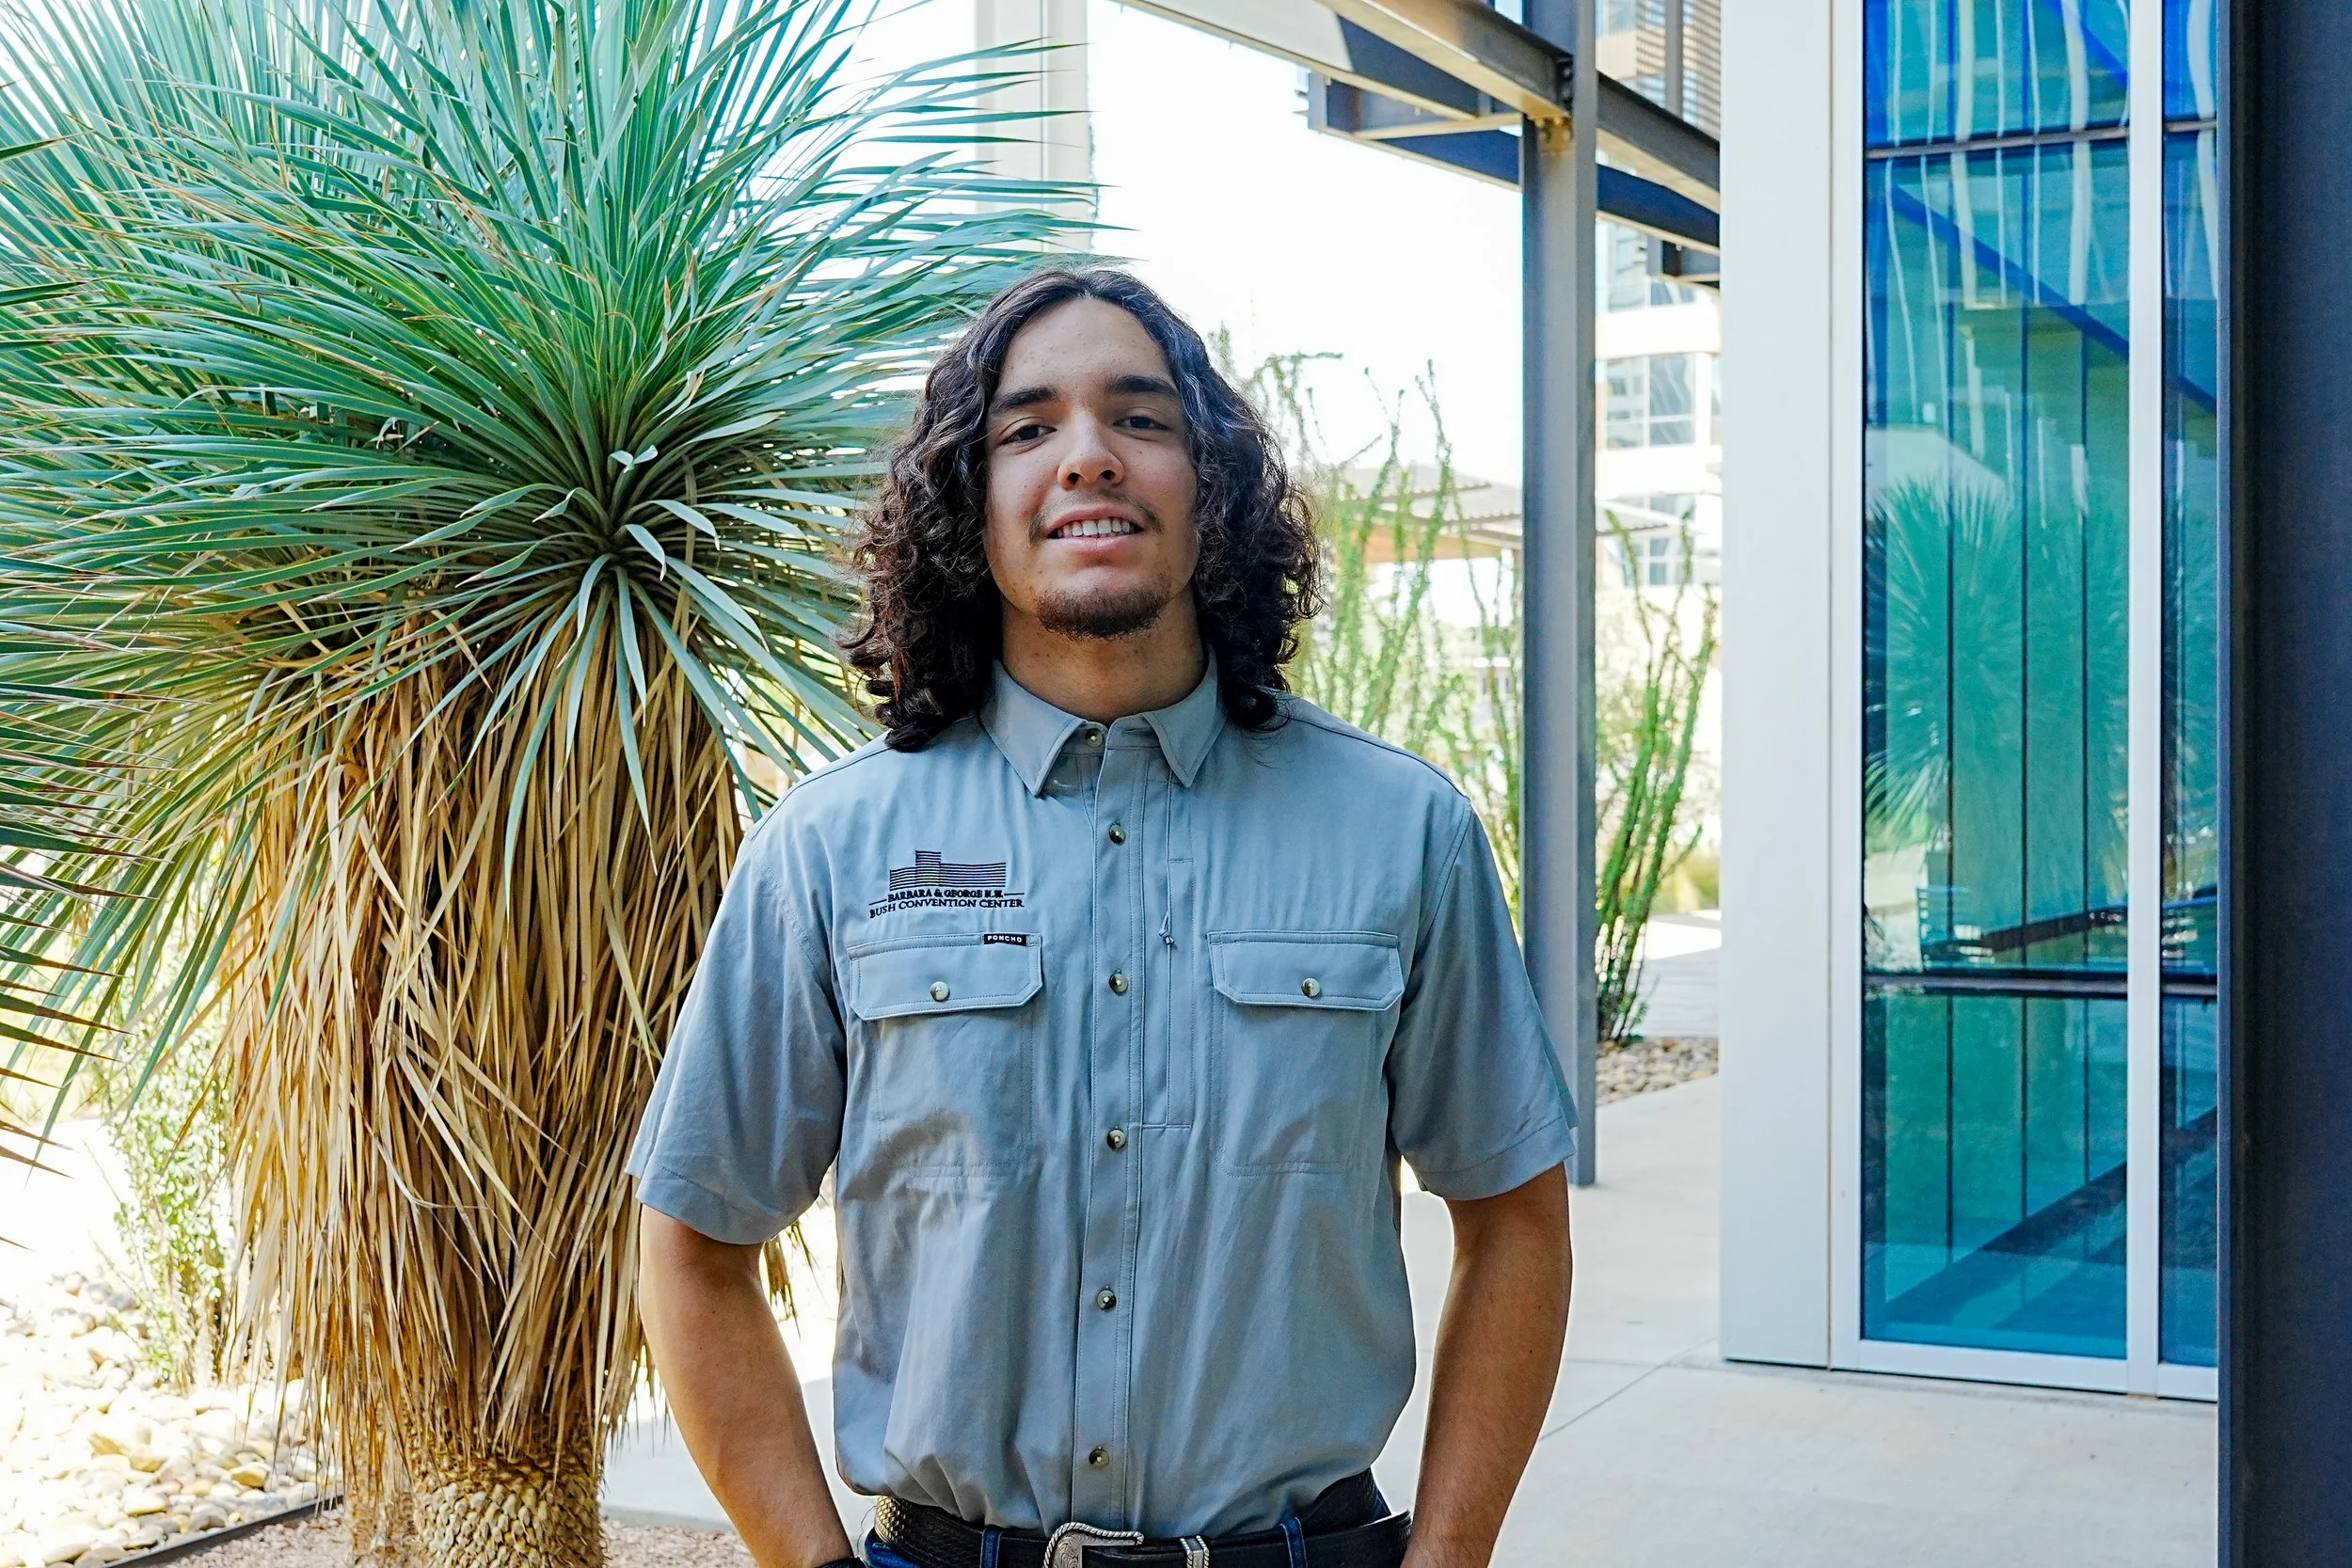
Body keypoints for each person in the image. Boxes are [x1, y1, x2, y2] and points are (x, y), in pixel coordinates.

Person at [628, 267, 1576, 1568]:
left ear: (1216, 488)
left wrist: (1450, 1558)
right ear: (972, 506)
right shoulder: (829, 851)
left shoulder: (1402, 832)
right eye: (1026, 429)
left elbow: (1516, 1217)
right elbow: (692, 1240)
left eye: (1141, 418)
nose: (1087, 458)